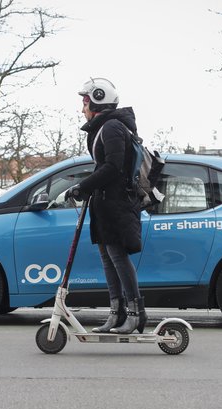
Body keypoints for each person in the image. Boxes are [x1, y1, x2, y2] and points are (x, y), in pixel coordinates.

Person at [65, 77, 147, 334]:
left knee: (117, 257)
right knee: (107, 257)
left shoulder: (111, 127)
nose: (82, 109)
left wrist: (83, 186)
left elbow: (113, 167)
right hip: (104, 202)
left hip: (116, 203)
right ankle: (116, 312)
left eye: (85, 103)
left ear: (97, 100)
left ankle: (135, 313)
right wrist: (85, 186)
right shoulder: (105, 128)